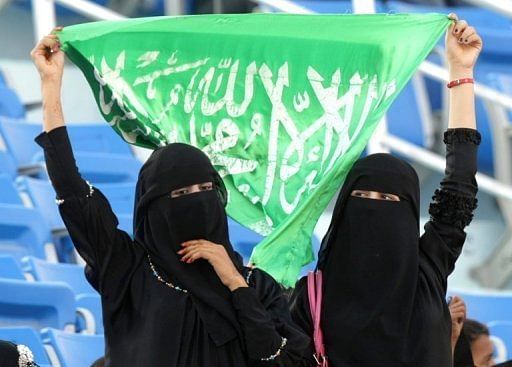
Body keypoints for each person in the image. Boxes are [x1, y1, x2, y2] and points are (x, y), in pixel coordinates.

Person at [30, 29, 314, 367]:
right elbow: (72, 192)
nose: (196, 200)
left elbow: (288, 362)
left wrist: (236, 286)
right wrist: (51, 87)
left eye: (205, 190)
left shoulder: (257, 286)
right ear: (154, 205)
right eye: (181, 194)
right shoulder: (127, 270)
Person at [290, 14, 482, 367]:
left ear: (408, 211)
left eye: (388, 200)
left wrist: (460, 73)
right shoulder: (310, 297)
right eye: (362, 198)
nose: (374, 209)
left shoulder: (426, 273)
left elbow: (460, 188)